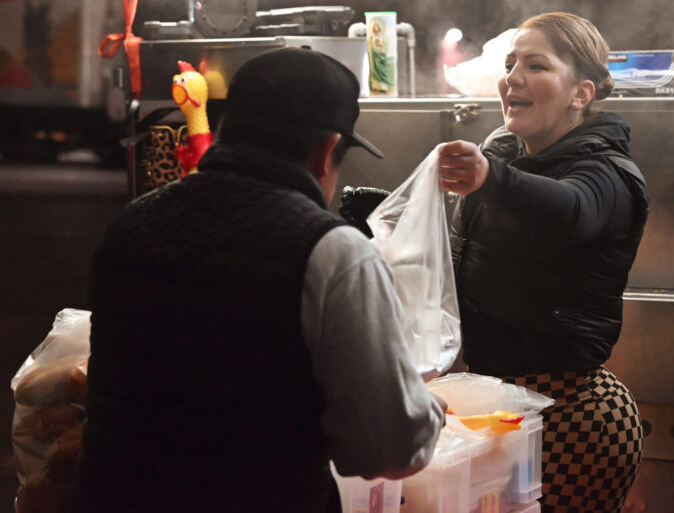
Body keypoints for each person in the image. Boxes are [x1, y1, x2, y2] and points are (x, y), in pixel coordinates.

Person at [73, 47, 445, 513]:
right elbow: (387, 450)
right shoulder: (332, 252)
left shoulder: (132, 224)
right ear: (329, 150)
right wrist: (426, 407)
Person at [437, 11, 650, 512]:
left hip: (572, 416)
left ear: (582, 94)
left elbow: (571, 211)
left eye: (536, 66)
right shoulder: (506, 156)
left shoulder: (609, 171)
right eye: (510, 64)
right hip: (499, 405)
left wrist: (492, 178)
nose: (512, 78)